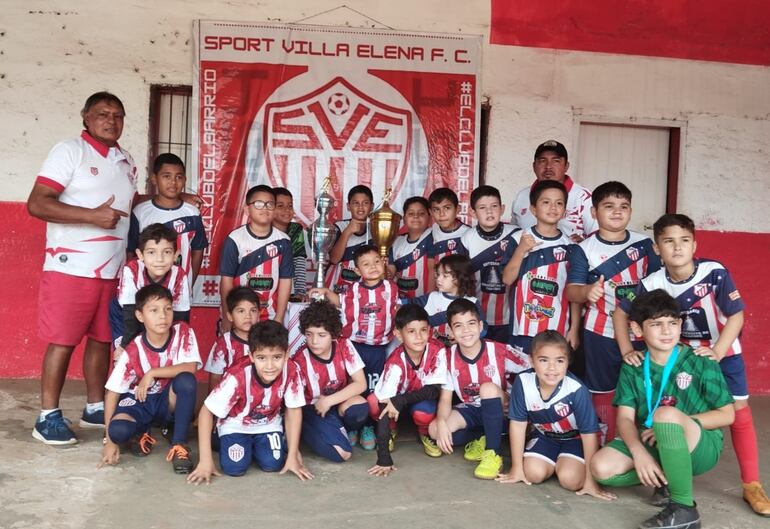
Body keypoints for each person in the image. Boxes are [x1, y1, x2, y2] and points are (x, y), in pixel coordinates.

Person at [613, 214, 770, 516]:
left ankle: (751, 483)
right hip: (679, 356)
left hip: (720, 353)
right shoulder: (652, 282)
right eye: (669, 242)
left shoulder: (714, 272)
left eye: (684, 241)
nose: (677, 248)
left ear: (695, 244)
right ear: (657, 248)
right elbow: (621, 314)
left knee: (738, 413)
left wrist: (718, 351)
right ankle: (670, 476)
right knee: (675, 413)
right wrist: (625, 351)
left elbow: (736, 315)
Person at [28, 91, 137, 444]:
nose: (111, 120)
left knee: (103, 340)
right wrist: (91, 217)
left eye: (118, 115)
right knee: (62, 341)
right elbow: (37, 204)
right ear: (86, 117)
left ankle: (94, 407)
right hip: (70, 267)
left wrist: (174, 201)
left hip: (112, 271)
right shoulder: (70, 151)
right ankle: (47, 417)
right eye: (103, 113)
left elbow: (126, 206)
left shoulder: (126, 161)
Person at [591, 289, 735, 529]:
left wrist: (674, 423)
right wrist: (639, 453)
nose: (667, 331)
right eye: (656, 324)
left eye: (672, 323)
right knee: (600, 468)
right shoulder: (633, 365)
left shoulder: (700, 360)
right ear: (638, 329)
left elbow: (727, 414)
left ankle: (684, 508)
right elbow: (625, 419)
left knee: (665, 415)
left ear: (680, 325)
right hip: (652, 439)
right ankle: (667, 478)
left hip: (700, 444)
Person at [565, 181, 661, 444]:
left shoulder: (645, 245)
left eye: (623, 206)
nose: (617, 212)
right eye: (609, 206)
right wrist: (586, 293)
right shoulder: (583, 249)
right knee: (602, 390)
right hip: (599, 333)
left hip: (641, 334)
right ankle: (605, 442)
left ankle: (643, 442)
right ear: (594, 212)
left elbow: (658, 288)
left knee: (644, 388)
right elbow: (571, 291)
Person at [187, 320, 313, 484]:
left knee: (272, 464)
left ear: (287, 354)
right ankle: (220, 438)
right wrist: (205, 461)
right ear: (251, 356)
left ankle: (271, 443)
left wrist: (293, 454)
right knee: (234, 468)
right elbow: (206, 411)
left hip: (268, 424)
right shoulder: (237, 375)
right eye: (261, 358)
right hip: (235, 424)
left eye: (277, 357)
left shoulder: (292, 370)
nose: (270, 366)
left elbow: (294, 410)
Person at [497, 330, 614, 501]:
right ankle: (552, 462)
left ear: (567, 362)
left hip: (576, 440)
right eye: (543, 360)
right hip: (545, 437)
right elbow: (518, 424)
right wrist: (516, 468)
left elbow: (589, 435)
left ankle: (564, 464)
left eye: (559, 361)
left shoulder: (576, 389)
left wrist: (590, 481)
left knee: (571, 480)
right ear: (531, 360)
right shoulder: (522, 382)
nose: (552, 368)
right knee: (532, 474)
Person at [99, 284, 201, 474]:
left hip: (165, 402)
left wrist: (152, 373)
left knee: (186, 380)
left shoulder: (183, 332)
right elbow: (112, 392)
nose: (162, 316)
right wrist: (110, 441)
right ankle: (140, 433)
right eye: (154, 310)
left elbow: (191, 367)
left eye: (167, 309)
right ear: (140, 316)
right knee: (118, 431)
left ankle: (179, 445)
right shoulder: (133, 349)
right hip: (140, 402)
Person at [310, 244, 401, 450]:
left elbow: (396, 311)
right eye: (366, 265)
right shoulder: (353, 290)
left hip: (378, 349)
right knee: (352, 387)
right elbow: (338, 301)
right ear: (358, 271)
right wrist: (325, 291)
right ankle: (354, 425)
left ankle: (370, 426)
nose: (373, 267)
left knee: (374, 389)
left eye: (377, 262)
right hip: (355, 348)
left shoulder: (391, 288)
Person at [429, 299, 530, 479]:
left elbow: (533, 368)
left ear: (481, 325)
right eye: (458, 326)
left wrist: (519, 404)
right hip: (473, 410)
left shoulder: (499, 350)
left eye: (471, 324)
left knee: (488, 389)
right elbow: (445, 398)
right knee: (435, 430)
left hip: (503, 410)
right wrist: (442, 423)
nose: (466, 330)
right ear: (451, 332)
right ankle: (482, 438)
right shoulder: (447, 357)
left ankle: (493, 453)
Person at [367, 305, 448, 477]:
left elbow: (434, 391)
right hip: (396, 405)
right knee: (373, 403)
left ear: (430, 331)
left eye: (423, 330)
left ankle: (425, 432)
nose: (419, 337)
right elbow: (383, 406)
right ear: (398, 334)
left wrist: (400, 400)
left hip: (419, 400)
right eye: (411, 331)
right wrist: (383, 458)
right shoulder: (395, 362)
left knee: (423, 412)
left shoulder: (438, 349)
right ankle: (392, 428)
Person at [503, 180, 580, 355]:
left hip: (557, 329)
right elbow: (507, 279)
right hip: (522, 327)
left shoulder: (572, 248)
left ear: (564, 211)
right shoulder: (517, 239)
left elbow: (574, 292)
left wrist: (574, 328)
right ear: (533, 209)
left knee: (551, 376)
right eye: (546, 202)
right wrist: (521, 250)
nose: (553, 207)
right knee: (519, 376)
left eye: (559, 203)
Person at [294, 300, 368, 462]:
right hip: (314, 410)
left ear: (333, 334)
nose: (314, 341)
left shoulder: (344, 345)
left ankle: (345, 429)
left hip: (334, 402)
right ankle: (308, 431)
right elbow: (294, 405)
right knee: (343, 454)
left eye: (321, 335)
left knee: (359, 407)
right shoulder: (300, 360)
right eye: (309, 334)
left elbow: (361, 383)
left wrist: (329, 400)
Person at [127, 153, 207, 292]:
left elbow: (197, 251)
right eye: (166, 176)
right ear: (154, 179)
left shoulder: (192, 213)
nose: (173, 182)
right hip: (147, 291)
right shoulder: (141, 212)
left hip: (180, 291)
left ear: (185, 180)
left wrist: (188, 283)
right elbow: (132, 252)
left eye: (179, 177)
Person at [219, 184, 293, 329]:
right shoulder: (235, 239)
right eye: (258, 204)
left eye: (270, 204)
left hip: (270, 315)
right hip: (239, 317)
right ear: (247, 209)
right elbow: (226, 281)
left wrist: (279, 317)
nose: (265, 208)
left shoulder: (284, 241)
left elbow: (285, 281)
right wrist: (228, 318)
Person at [113, 223, 191, 349]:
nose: (159, 259)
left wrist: (177, 347)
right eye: (151, 252)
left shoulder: (179, 275)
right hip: (127, 314)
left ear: (176, 255)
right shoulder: (132, 269)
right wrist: (126, 348)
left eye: (166, 252)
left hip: (157, 314)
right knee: (126, 356)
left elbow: (181, 318)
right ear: (140, 255)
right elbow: (130, 316)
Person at [456, 185, 517, 343]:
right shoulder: (466, 239)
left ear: (502, 209)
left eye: (494, 206)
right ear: (473, 212)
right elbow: (461, 280)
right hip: (477, 317)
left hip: (511, 317)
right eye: (482, 208)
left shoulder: (517, 235)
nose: (489, 212)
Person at [510, 140, 595, 242]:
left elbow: (598, 239)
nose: (548, 166)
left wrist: (583, 246)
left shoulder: (584, 197)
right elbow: (513, 235)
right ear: (534, 166)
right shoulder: (522, 196)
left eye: (556, 161)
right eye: (542, 161)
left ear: (566, 166)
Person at [408, 254, 482, 346]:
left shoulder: (472, 302)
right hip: (431, 352)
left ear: (460, 278)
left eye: (445, 276)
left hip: (459, 353)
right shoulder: (431, 297)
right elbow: (408, 305)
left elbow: (483, 329)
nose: (438, 279)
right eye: (438, 275)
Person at [204, 287, 260, 392]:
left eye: (253, 310)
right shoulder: (223, 344)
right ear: (230, 316)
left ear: (259, 315)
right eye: (241, 311)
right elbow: (215, 378)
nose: (248, 316)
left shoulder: (266, 341)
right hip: (231, 398)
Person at [326, 185, 373, 294]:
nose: (360, 207)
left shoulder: (376, 230)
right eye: (356, 203)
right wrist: (347, 232)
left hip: (365, 290)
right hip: (336, 288)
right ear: (348, 206)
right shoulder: (339, 226)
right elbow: (334, 259)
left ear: (371, 206)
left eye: (365, 203)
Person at [387, 196, 434, 298]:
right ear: (404, 218)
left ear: (430, 217)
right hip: (400, 303)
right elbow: (390, 271)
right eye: (411, 213)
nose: (416, 217)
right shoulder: (396, 241)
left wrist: (430, 301)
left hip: (424, 302)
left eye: (421, 213)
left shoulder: (434, 236)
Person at [272, 187, 308, 299]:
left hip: (288, 290)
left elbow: (299, 261)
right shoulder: (263, 230)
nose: (287, 210)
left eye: (290, 206)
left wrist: (300, 292)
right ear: (270, 208)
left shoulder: (295, 229)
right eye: (280, 206)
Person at [428, 187, 470, 265]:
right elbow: (431, 264)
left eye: (447, 208)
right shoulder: (434, 229)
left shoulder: (468, 233)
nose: (441, 214)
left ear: (457, 209)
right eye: (436, 209)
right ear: (431, 212)